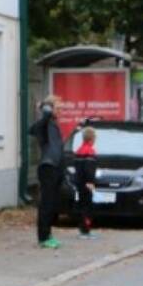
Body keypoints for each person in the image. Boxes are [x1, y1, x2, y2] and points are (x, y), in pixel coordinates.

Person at [29, 97, 65, 248]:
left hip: (56, 167)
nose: (60, 111)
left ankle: (48, 234)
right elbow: (31, 130)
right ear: (49, 109)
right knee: (46, 204)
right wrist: (45, 111)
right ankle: (43, 237)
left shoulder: (53, 125)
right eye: (57, 108)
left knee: (52, 204)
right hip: (47, 167)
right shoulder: (44, 124)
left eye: (61, 109)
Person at [72, 125, 99, 237]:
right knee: (88, 206)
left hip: (79, 182)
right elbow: (89, 170)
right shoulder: (90, 152)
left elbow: (77, 169)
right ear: (92, 138)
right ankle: (86, 229)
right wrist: (91, 182)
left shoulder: (78, 151)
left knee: (81, 204)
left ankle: (82, 228)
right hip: (87, 183)